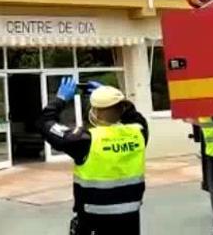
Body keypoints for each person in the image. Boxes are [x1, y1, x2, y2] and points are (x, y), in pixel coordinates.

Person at [38, 77, 149, 235]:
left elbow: (44, 123)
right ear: (121, 109)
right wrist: (113, 96)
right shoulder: (138, 133)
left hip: (93, 223)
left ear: (94, 111)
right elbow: (136, 117)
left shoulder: (84, 140)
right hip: (129, 221)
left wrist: (60, 99)